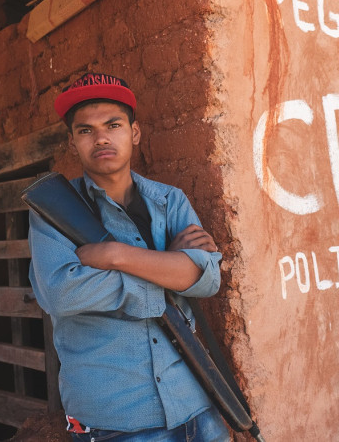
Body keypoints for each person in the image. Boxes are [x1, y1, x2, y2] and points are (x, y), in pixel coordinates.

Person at [28, 72, 230, 442]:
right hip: (115, 420)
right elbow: (61, 292)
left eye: (113, 125)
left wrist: (118, 255)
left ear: (134, 133)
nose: (101, 137)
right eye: (85, 130)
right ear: (72, 143)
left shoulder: (170, 201)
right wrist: (166, 265)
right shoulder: (51, 212)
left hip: (196, 405)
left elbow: (208, 280)